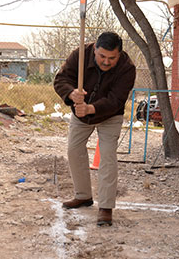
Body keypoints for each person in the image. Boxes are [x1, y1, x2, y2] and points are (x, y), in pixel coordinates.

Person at [53, 32, 136, 226]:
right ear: (95, 50)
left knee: (107, 156)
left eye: (111, 58)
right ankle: (83, 196)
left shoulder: (127, 68)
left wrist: (91, 108)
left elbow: (116, 100)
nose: (106, 62)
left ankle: (106, 207)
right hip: (80, 114)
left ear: (119, 54)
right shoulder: (80, 55)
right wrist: (72, 93)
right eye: (102, 56)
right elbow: (60, 80)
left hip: (110, 115)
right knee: (74, 150)